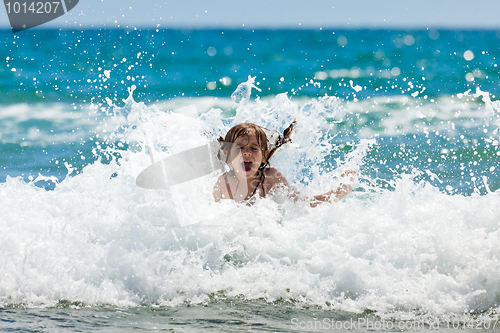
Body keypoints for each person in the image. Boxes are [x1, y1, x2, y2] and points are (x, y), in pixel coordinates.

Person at [212, 122, 356, 206]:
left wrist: (335, 194)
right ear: (228, 156)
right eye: (239, 148)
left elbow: (300, 203)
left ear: (264, 157)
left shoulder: (270, 177)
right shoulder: (223, 183)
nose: (247, 152)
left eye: (254, 148)